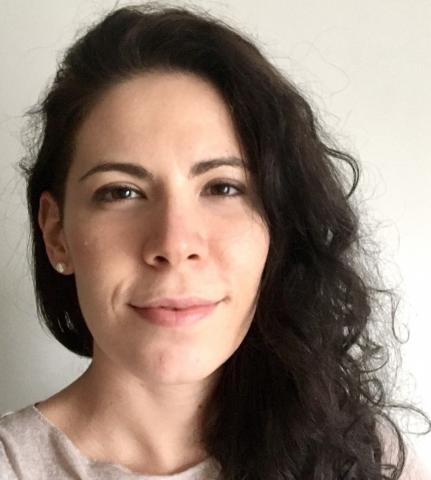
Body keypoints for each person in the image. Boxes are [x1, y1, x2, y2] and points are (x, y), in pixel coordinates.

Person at [0, 3, 429, 479]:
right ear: (57, 233)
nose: (174, 243)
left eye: (223, 187)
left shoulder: (370, 458)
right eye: (122, 192)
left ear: (278, 224)